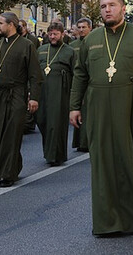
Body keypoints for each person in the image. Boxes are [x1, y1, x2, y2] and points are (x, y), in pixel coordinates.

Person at [69, 0, 133, 235]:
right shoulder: (91, 39)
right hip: (99, 105)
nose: (107, 10)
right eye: (103, 6)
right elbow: (80, 74)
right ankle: (107, 221)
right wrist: (74, 106)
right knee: (103, 161)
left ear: (123, 8)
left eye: (112, 5)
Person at [0, 12, 42, 187]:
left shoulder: (26, 45)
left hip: (16, 95)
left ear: (11, 25)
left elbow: (35, 75)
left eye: (1, 24)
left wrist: (33, 98)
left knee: (11, 135)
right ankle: (0, 171)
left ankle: (8, 174)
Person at [35, 22, 75, 166]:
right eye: (50, 34)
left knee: (56, 124)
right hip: (42, 92)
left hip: (60, 92)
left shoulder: (69, 51)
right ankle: (49, 151)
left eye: (55, 34)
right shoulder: (41, 50)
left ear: (62, 35)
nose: (52, 37)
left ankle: (56, 155)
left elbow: (76, 74)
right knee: (42, 120)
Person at [70, 17, 92, 152]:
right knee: (77, 111)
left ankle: (88, 141)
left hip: (91, 82)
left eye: (84, 27)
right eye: (80, 27)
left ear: (90, 28)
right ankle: (80, 141)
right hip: (77, 81)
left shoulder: (95, 42)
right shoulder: (73, 46)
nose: (82, 30)